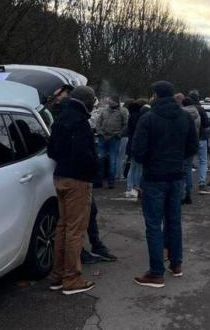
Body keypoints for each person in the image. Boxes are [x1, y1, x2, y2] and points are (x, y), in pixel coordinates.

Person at [132, 81, 198, 288]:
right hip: (176, 175)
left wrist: (151, 161)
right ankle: (176, 264)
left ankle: (156, 272)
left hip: (154, 177)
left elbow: (137, 151)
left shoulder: (148, 118)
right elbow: (192, 147)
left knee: (153, 224)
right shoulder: (185, 117)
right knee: (173, 221)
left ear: (155, 96)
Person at [47, 86, 98, 295]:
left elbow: (52, 150)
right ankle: (71, 279)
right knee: (76, 231)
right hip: (77, 180)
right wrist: (96, 165)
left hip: (60, 176)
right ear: (87, 102)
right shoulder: (80, 122)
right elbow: (82, 154)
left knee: (63, 227)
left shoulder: (60, 118)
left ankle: (58, 275)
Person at [95, 96, 129, 189]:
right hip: (102, 136)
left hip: (114, 137)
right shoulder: (104, 111)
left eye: (110, 100)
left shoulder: (122, 111)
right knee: (100, 159)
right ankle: (99, 181)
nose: (108, 101)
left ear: (115, 102)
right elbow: (98, 121)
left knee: (112, 160)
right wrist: (99, 132)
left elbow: (126, 124)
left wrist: (119, 134)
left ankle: (111, 182)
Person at [124, 99, 149, 199]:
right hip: (137, 145)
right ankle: (137, 188)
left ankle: (130, 187)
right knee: (138, 168)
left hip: (131, 144)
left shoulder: (132, 116)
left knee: (132, 167)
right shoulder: (140, 118)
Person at [189, 90, 210, 194]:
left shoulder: (184, 110)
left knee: (188, 162)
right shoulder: (201, 110)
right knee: (203, 161)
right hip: (201, 138)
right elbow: (207, 124)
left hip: (188, 139)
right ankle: (202, 184)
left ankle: (187, 185)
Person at [181, 97, 201, 205]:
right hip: (193, 144)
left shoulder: (183, 115)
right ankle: (188, 193)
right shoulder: (196, 113)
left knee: (182, 172)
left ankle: (183, 194)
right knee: (188, 170)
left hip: (183, 145)